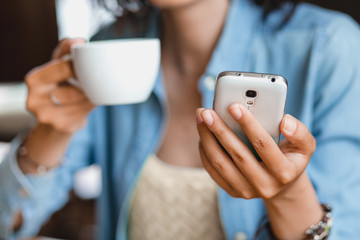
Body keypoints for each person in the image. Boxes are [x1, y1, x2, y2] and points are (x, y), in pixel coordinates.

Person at [1, 0, 360, 239]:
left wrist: (287, 196)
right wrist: (51, 130)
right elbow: (11, 223)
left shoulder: (328, 48)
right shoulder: (109, 47)